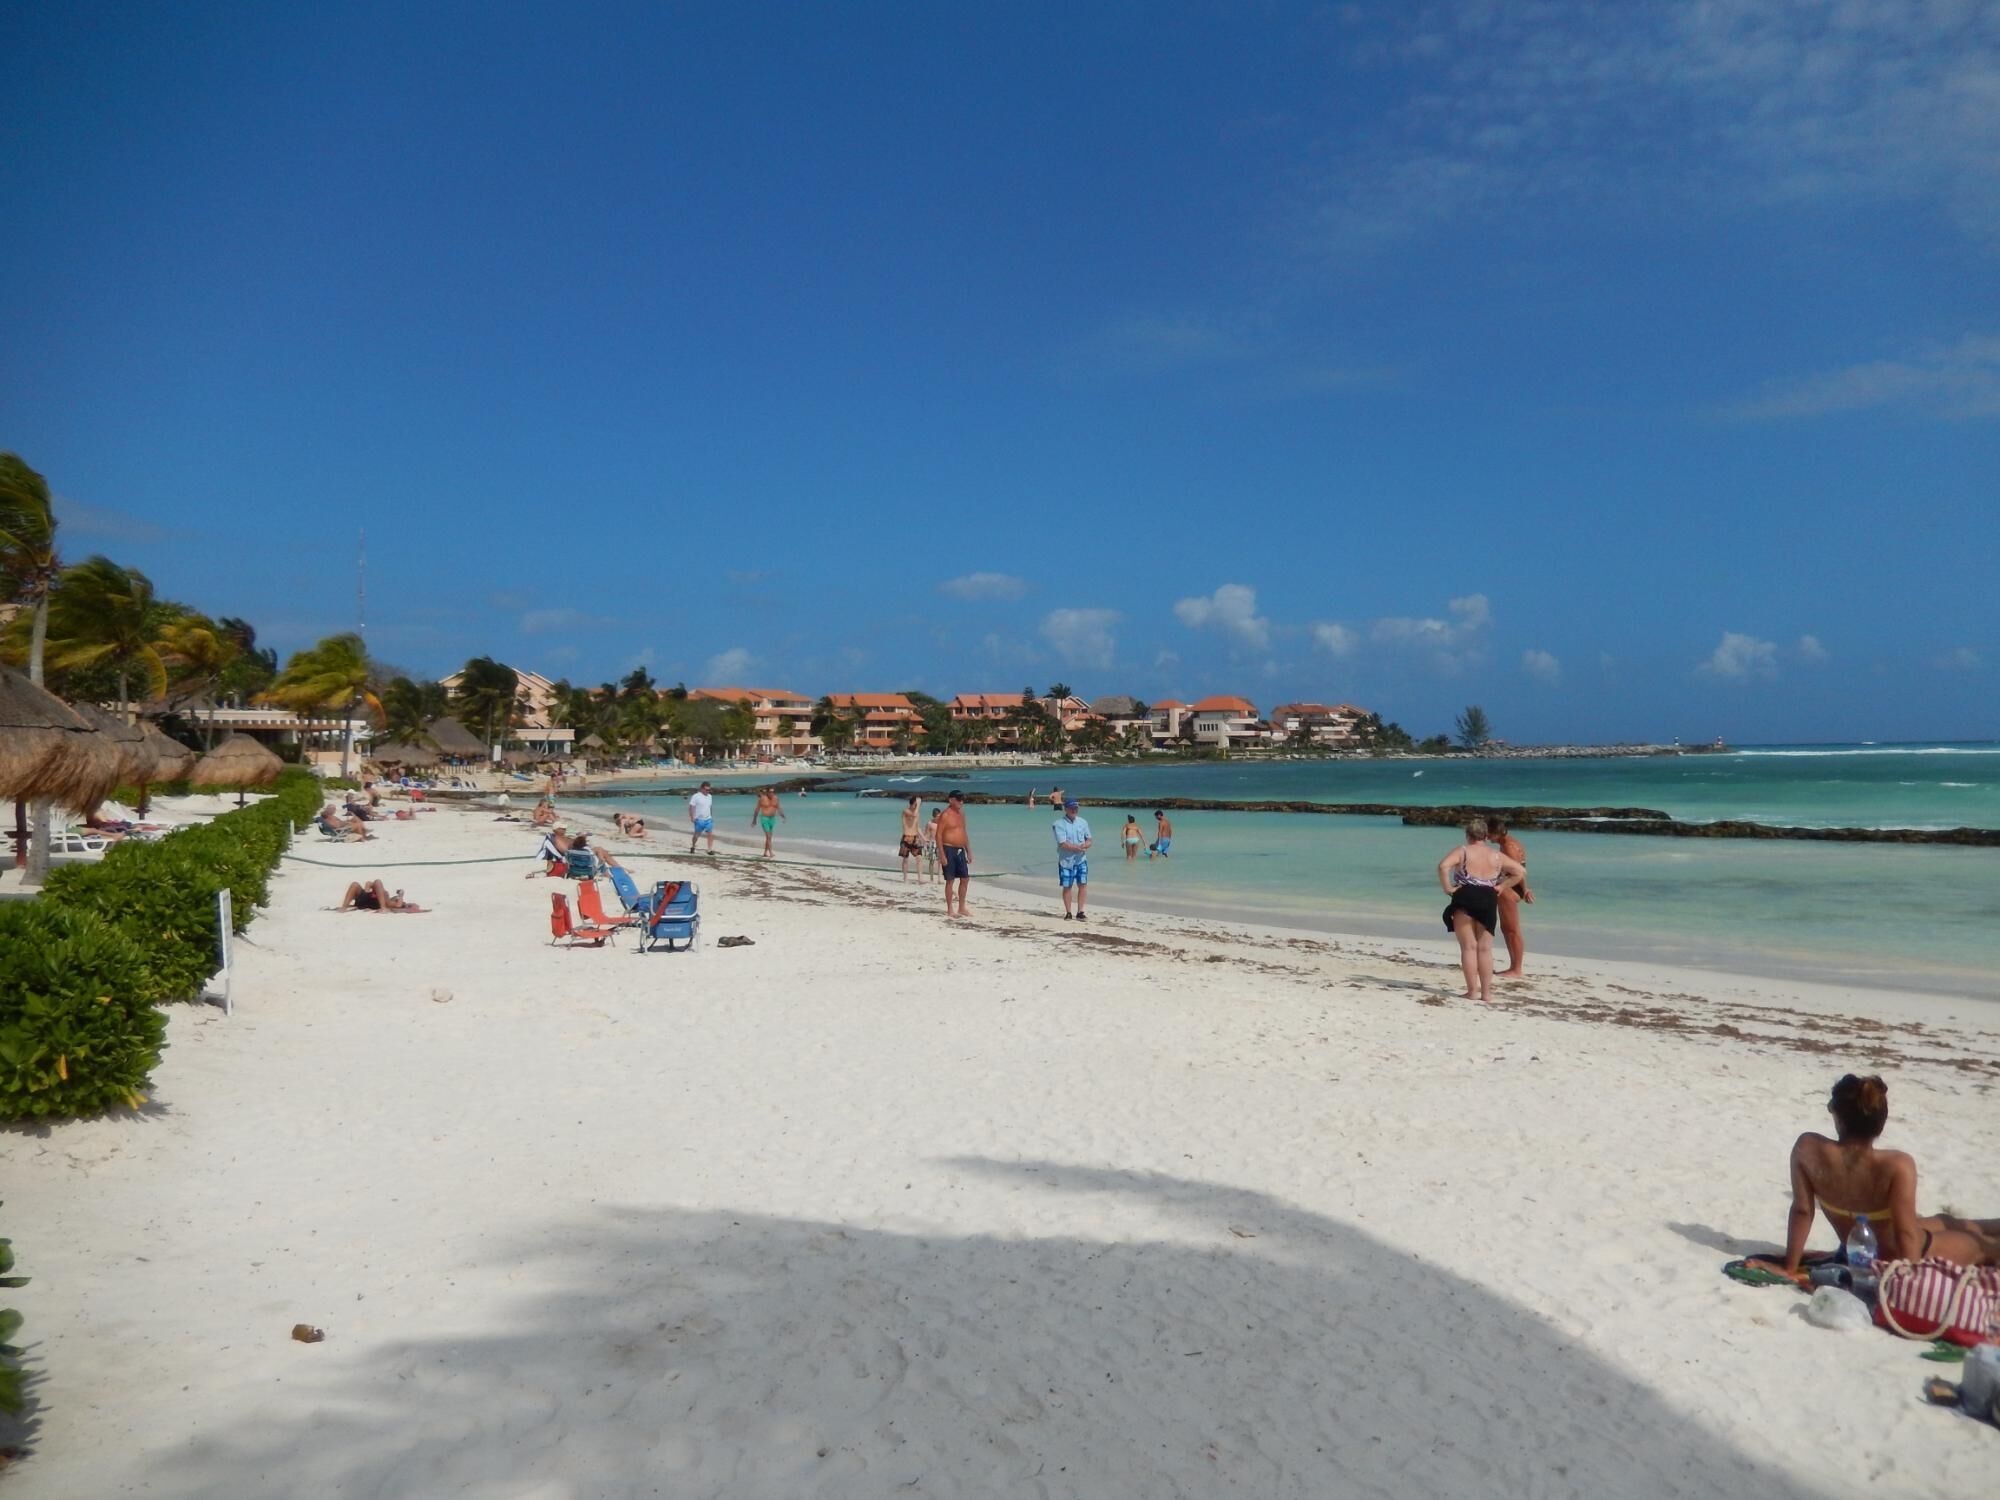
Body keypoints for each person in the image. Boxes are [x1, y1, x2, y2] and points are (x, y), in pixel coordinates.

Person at [1777, 1074, 2000, 1276]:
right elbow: (1907, 1235)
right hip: (1909, 1253)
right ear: (1880, 1123)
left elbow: (1803, 1211)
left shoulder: (1807, 1149)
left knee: (1946, 1221)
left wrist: (1790, 1267)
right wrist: (1909, 1281)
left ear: (1838, 1117)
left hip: (1860, 1250)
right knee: (1985, 1247)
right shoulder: (1897, 1165)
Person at [1436, 817, 1526, 1003]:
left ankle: (1471, 992)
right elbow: (1519, 871)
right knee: (1485, 949)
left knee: (1469, 947)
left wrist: (1447, 888)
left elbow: (1443, 866)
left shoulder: (1462, 851)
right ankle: (1486, 994)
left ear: (1468, 835)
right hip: (1488, 897)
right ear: (1486, 836)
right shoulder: (1496, 855)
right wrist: (1502, 886)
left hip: (1465, 895)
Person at [1488, 817, 1535, 978]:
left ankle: (1516, 969)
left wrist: (1525, 889)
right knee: (1507, 929)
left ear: (1496, 833)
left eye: (1489, 834)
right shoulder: (1511, 843)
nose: (1487, 838)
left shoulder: (1508, 847)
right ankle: (1513, 966)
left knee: (1511, 930)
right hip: (1511, 887)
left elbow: (1518, 871)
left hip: (1510, 889)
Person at [1053, 797, 1092, 919]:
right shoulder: (1058, 824)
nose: (1074, 810)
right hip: (1066, 861)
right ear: (1066, 809)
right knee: (1067, 886)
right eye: (1072, 808)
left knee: (1083, 884)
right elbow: (1062, 843)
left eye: (1076, 808)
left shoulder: (1083, 822)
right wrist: (1075, 848)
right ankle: (1068, 912)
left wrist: (1086, 845)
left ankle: (1080, 912)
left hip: (1081, 860)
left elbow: (1089, 839)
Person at [937, 790, 972, 918]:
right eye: (958, 799)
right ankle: (950, 909)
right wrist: (941, 854)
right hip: (948, 849)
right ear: (951, 800)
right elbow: (938, 835)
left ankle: (962, 907)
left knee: (965, 878)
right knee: (950, 880)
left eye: (962, 800)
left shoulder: (961, 814)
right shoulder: (945, 815)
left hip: (960, 850)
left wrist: (969, 851)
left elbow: (964, 833)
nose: (961, 802)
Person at [336, 879, 425, 913]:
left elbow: (398, 905)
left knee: (377, 882)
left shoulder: (388, 902)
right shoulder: (384, 895)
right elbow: (368, 883)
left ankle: (383, 908)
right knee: (355, 884)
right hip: (366, 898)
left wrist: (401, 895)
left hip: (372, 902)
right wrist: (369, 888)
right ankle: (344, 907)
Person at [751, 787, 785, 858]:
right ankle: (771, 853)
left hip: (772, 819)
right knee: (768, 836)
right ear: (767, 792)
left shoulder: (776, 798)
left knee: (769, 837)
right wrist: (754, 820)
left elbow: (779, 808)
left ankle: (765, 853)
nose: (772, 793)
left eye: (773, 792)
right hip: (764, 819)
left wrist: (783, 816)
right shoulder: (762, 799)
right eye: (770, 792)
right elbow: (757, 810)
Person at [898, 795, 925, 881]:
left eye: (918, 805)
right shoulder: (906, 811)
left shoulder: (917, 813)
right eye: (916, 804)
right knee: (906, 859)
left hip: (915, 838)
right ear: (912, 804)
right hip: (906, 837)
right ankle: (905, 878)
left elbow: (917, 827)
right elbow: (913, 815)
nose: (917, 806)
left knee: (919, 858)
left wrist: (923, 838)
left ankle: (920, 878)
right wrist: (918, 803)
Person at [687, 780, 716, 855]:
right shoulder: (696, 796)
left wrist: (711, 816)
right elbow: (691, 807)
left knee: (710, 834)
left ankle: (709, 850)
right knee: (696, 835)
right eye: (706, 789)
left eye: (709, 790)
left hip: (708, 819)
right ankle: (693, 846)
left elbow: (710, 807)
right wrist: (692, 817)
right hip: (699, 819)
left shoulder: (710, 796)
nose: (708, 791)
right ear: (702, 789)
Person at [922, 807, 942, 883]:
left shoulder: (941, 823)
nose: (939, 817)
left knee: (940, 861)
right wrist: (924, 842)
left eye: (940, 816)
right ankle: (931, 878)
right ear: (934, 816)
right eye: (938, 816)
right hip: (932, 843)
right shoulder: (930, 823)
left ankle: (940, 878)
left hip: (940, 843)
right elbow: (926, 834)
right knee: (932, 861)